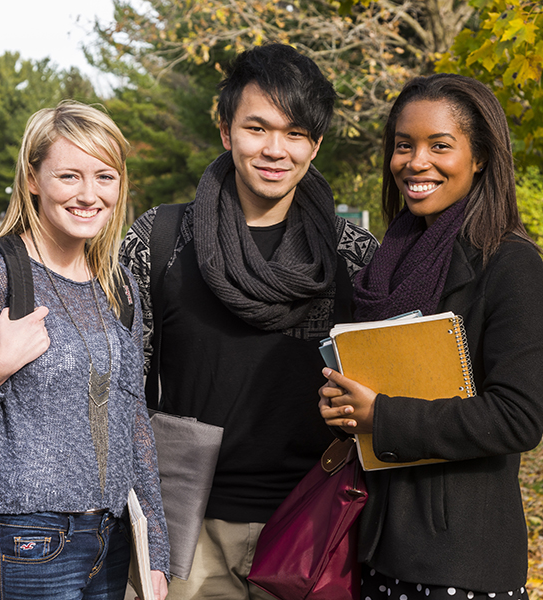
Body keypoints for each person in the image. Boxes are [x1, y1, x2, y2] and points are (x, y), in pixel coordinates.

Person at [121, 43, 378, 599]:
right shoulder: (159, 242)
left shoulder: (354, 257)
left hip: (316, 526)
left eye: (295, 133)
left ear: (316, 144)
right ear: (225, 131)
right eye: (257, 128)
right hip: (189, 531)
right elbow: (120, 390)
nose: (275, 149)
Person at [0, 101, 169, 600]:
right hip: (24, 540)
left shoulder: (118, 285)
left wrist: (154, 546)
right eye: (69, 176)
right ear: (33, 179)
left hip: (111, 539)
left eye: (105, 176)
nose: (90, 195)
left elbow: (133, 416)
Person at [319, 73, 543, 600]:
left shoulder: (510, 264)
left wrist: (382, 415)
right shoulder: (389, 260)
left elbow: (518, 418)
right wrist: (343, 406)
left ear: (482, 156)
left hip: (458, 560)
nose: (415, 162)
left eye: (439, 145)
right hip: (377, 540)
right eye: (404, 145)